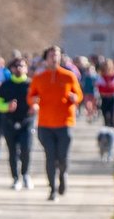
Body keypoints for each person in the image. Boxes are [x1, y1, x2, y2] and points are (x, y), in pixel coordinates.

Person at [27, 45, 83, 201]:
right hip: (45, 124)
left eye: (57, 55)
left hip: (65, 123)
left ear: (60, 57)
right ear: (46, 58)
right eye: (51, 55)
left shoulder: (69, 76)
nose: (54, 58)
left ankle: (63, 175)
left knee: (63, 157)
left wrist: (75, 98)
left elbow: (79, 94)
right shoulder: (39, 78)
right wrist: (34, 102)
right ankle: (52, 189)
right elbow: (31, 97)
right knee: (50, 157)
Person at [0, 57, 36, 190]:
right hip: (9, 122)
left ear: (26, 68)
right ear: (11, 69)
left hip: (27, 122)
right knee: (12, 151)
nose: (18, 68)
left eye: (22, 66)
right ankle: (15, 178)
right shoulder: (6, 85)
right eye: (16, 66)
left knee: (26, 149)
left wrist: (36, 106)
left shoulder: (31, 84)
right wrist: (7, 106)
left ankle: (25, 175)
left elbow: (39, 100)